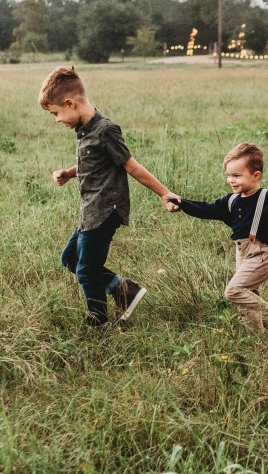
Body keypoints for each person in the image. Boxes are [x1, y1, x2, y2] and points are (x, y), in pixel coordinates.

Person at [40, 66, 179, 329]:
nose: (57, 119)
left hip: (105, 211)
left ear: (70, 103)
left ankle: (99, 320)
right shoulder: (84, 130)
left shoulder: (106, 130)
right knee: (70, 259)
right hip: (90, 210)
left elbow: (131, 165)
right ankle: (124, 290)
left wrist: (164, 193)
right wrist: (69, 173)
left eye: (56, 113)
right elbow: (92, 163)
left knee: (86, 270)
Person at [168, 143, 268, 338]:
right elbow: (206, 209)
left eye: (237, 176)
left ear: (256, 176)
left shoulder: (266, 197)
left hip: (261, 255)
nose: (231, 180)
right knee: (247, 301)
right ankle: (258, 339)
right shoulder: (231, 201)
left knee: (234, 292)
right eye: (229, 175)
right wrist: (181, 203)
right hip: (242, 254)